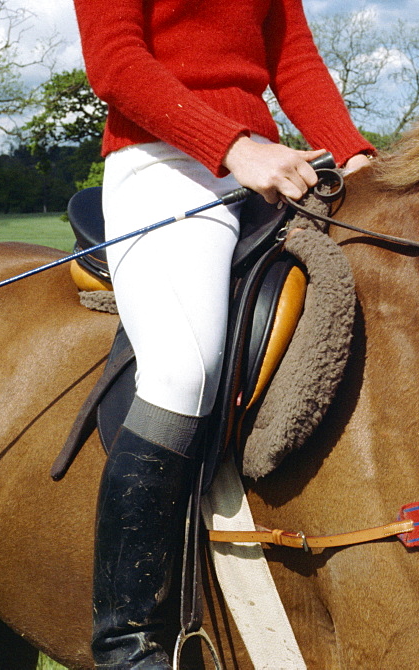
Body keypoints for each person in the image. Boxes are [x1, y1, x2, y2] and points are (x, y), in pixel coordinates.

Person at [72, 0, 375, 667]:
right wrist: (234, 147)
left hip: (265, 170)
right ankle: (129, 640)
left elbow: (292, 57)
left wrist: (353, 157)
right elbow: (116, 65)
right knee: (183, 368)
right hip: (165, 164)